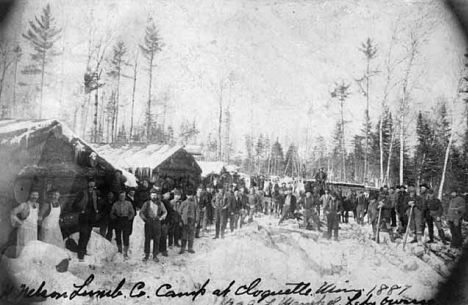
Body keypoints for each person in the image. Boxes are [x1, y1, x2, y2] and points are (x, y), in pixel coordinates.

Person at [73, 179, 99, 262]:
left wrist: (97, 209)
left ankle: (83, 250)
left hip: (91, 216)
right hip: (84, 216)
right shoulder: (82, 193)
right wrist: (81, 209)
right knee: (83, 234)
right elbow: (75, 204)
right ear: (87, 185)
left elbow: (97, 202)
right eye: (90, 185)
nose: (91, 187)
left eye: (93, 186)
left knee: (88, 234)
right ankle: (80, 254)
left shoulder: (95, 193)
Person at [10, 190, 40, 257]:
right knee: (23, 246)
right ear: (29, 195)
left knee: (32, 247)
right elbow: (12, 213)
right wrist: (19, 222)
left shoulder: (37, 205)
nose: (34, 197)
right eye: (33, 195)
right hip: (25, 229)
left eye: (36, 195)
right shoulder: (24, 205)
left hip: (34, 229)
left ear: (38, 196)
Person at [140, 188, 167, 262]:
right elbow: (141, 212)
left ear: (157, 196)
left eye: (155, 195)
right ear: (150, 196)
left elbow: (165, 212)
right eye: (152, 195)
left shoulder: (160, 203)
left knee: (157, 239)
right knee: (147, 239)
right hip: (148, 223)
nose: (154, 197)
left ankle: (155, 255)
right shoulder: (147, 203)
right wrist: (144, 219)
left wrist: (162, 218)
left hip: (157, 223)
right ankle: (146, 255)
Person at [110, 190, 135, 258]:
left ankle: (126, 251)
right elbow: (112, 213)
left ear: (125, 196)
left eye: (123, 196)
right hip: (118, 220)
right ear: (119, 196)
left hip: (125, 220)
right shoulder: (115, 204)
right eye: (120, 196)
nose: (122, 197)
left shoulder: (128, 203)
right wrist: (115, 218)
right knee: (118, 236)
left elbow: (132, 212)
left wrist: (129, 218)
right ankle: (119, 250)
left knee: (126, 236)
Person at [178, 189, 198, 254]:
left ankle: (190, 248)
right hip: (184, 221)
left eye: (191, 195)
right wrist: (180, 221)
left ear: (192, 196)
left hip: (192, 221)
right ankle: (182, 248)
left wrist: (196, 221)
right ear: (186, 196)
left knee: (191, 235)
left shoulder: (194, 204)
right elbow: (179, 212)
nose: (190, 197)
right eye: (188, 195)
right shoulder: (183, 203)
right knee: (184, 235)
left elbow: (197, 213)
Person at [159, 191, 173, 256]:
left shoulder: (168, 202)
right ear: (163, 195)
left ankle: (163, 250)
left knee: (164, 235)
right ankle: (161, 249)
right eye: (167, 194)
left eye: (169, 194)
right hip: (162, 220)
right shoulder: (162, 202)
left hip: (167, 221)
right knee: (161, 235)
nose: (168, 195)